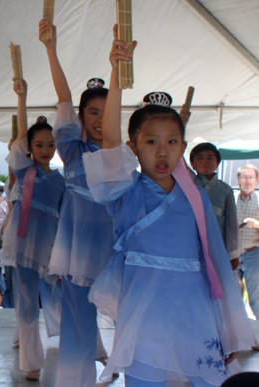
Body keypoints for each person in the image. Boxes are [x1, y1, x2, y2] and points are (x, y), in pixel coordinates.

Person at [82, 25, 253, 386]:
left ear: (183, 145)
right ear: (133, 146)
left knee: (206, 378)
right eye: (151, 141)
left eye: (172, 141)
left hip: (195, 306)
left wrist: (227, 325)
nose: (163, 151)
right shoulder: (127, 189)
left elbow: (216, 264)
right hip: (144, 306)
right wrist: (116, 71)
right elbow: (110, 137)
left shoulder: (196, 196)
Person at [39, 19, 115, 386]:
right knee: (78, 332)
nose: (100, 120)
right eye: (93, 113)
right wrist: (51, 51)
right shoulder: (72, 150)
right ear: (83, 119)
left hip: (119, 254)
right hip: (79, 256)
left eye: (107, 111)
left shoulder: (125, 157)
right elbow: (65, 100)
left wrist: (119, 70)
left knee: (135, 326)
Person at [0, 78, 65, 381]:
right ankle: (31, 361)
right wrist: (21, 99)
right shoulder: (23, 169)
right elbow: (20, 140)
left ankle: (87, 344)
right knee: (27, 302)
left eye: (51, 145)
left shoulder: (61, 180)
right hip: (23, 244)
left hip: (50, 246)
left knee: (58, 295)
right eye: (39, 144)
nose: (45, 149)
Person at [190, 143, 240, 268]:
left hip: (217, 244)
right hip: (189, 243)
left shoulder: (225, 189)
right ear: (192, 164)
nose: (205, 161)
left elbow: (231, 224)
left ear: (218, 162)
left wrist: (233, 253)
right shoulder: (187, 186)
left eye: (210, 157)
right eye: (200, 158)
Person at [236, 164, 259, 319]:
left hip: (253, 254)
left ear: (256, 180)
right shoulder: (230, 198)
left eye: (251, 177)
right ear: (238, 180)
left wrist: (257, 224)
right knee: (232, 296)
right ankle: (236, 333)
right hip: (232, 254)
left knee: (256, 299)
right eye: (244, 177)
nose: (247, 180)